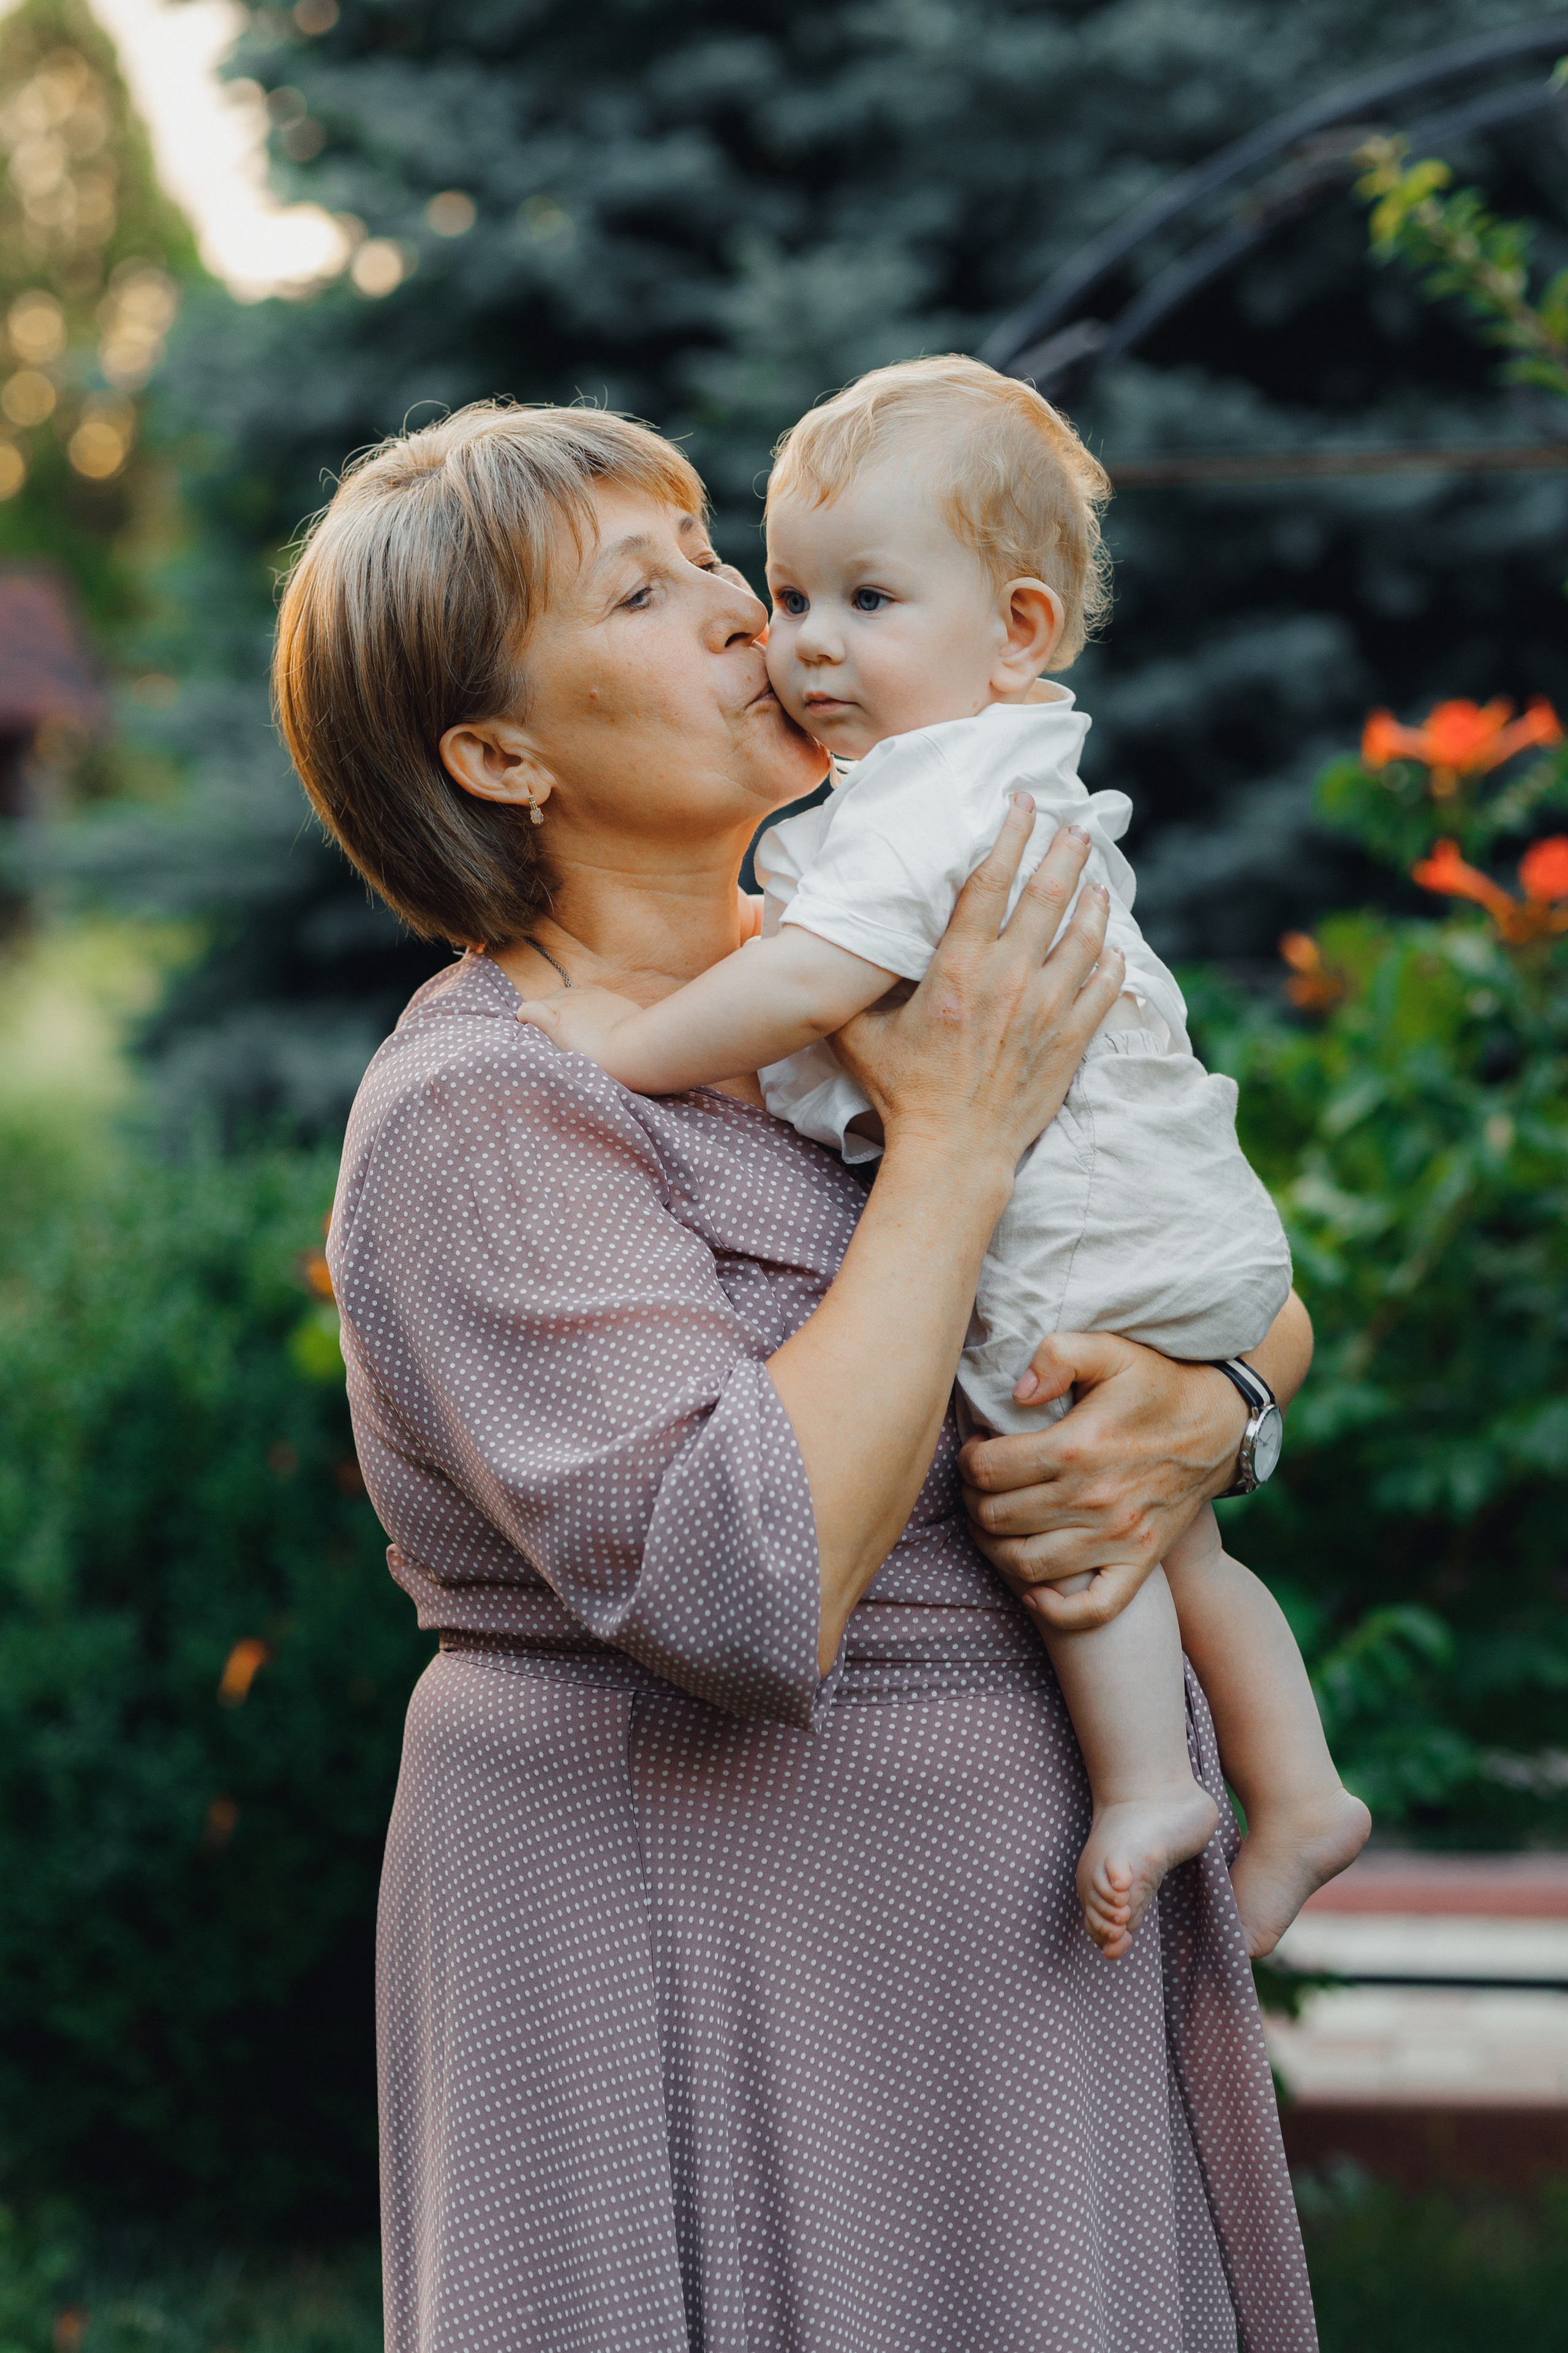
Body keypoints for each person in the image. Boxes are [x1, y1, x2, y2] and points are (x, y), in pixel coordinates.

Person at [275, 398, 1321, 2351]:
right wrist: (950, 1150)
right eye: (647, 589)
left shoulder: (889, 950)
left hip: (1026, 1945)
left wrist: (1218, 1413)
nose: (744, 608)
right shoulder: (492, 1105)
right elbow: (746, 1586)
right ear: (500, 755)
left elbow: (1210, 1250)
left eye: (709, 555)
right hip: (702, 1941)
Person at [516, 357, 1370, 1965]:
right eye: (777, 587)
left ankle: (1149, 1784)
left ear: (1020, 630)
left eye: (860, 596)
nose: (788, 633)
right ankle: (1296, 1783)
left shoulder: (926, 805)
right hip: (1156, 1208)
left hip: (1099, 1214)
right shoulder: (937, 789)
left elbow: (807, 987)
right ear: (500, 752)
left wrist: (615, 1050)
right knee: (1158, 1527)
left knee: (1057, 1462)